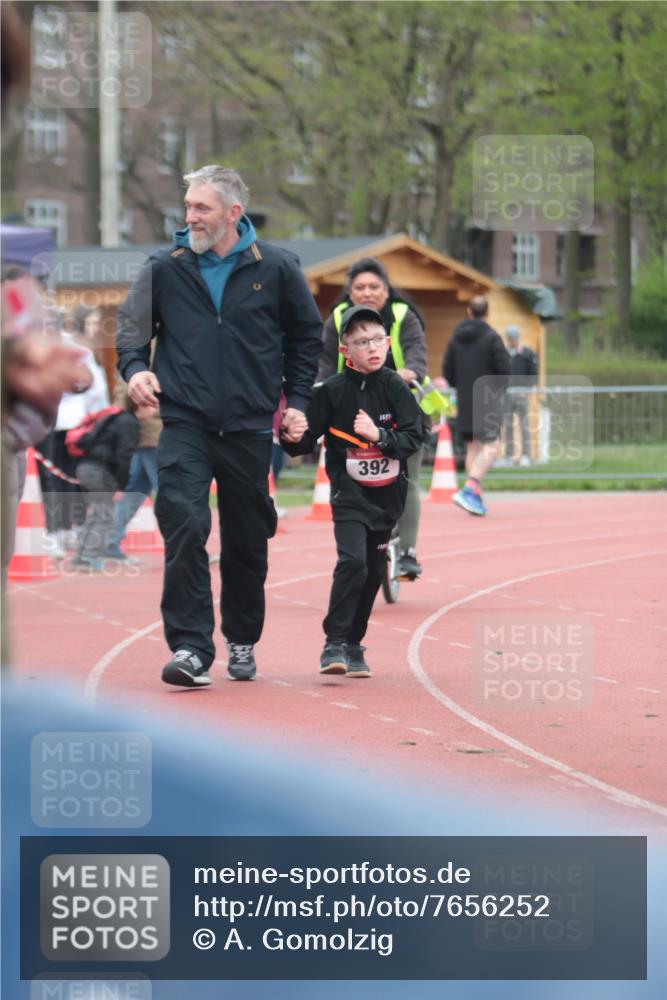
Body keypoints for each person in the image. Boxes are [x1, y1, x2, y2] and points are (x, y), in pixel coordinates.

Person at [116, 164, 322, 688]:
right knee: (184, 524)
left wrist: (297, 401)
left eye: (201, 208)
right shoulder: (165, 267)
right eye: (187, 206)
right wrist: (136, 370)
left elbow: (306, 338)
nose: (190, 217)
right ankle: (190, 647)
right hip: (184, 420)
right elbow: (132, 330)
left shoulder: (277, 267)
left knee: (247, 540)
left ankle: (243, 638)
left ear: (233, 212)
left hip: (250, 427)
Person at [283, 305, 422, 678]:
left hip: (387, 498)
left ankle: (354, 643)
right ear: (345, 350)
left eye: (377, 340)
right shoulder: (331, 391)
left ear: (388, 342)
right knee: (353, 563)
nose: (372, 348)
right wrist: (290, 434)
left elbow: (414, 437)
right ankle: (333, 642)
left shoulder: (396, 387)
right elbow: (304, 442)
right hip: (348, 496)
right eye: (362, 342)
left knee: (374, 571)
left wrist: (381, 436)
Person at [318, 257, 429, 580]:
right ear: (349, 292)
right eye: (360, 287)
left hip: (400, 407)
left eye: (374, 286)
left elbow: (417, 352)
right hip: (350, 414)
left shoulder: (403, 315)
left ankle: (407, 553)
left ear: (386, 290)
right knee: (346, 477)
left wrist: (409, 372)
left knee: (407, 479)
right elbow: (325, 361)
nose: (367, 293)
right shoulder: (337, 318)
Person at [36, 305, 110, 557]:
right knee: (55, 477)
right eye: (92, 322)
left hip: (72, 421)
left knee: (67, 477)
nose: (95, 328)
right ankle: (56, 530)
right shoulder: (55, 348)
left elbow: (94, 388)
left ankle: (65, 528)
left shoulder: (79, 350)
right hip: (54, 421)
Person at [442, 295, 510, 517]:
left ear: (469, 311)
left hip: (464, 397)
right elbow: (504, 371)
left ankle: (473, 497)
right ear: (487, 313)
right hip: (487, 398)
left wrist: (461, 385)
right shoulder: (492, 338)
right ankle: (470, 488)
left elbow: (447, 371)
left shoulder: (455, 339)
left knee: (473, 446)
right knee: (493, 445)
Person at [72, 400, 152, 572]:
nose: (155, 411)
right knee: (105, 516)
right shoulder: (129, 423)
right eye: (153, 406)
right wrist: (121, 486)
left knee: (96, 514)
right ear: (142, 406)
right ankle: (90, 556)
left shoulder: (116, 417)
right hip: (100, 470)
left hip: (85, 466)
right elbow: (125, 455)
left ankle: (81, 555)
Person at [105, 377, 162, 561]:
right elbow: (124, 398)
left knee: (133, 492)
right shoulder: (141, 366)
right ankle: (188, 549)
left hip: (148, 437)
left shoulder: (134, 365)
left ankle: (109, 543)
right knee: (170, 494)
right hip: (154, 437)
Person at [503, 323, 538, 466]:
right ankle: (509, 455)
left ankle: (526, 455)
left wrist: (526, 388)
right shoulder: (503, 354)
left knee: (524, 424)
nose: (512, 342)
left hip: (522, 394)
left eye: (514, 339)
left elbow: (533, 373)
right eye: (510, 339)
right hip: (507, 394)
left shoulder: (526, 353)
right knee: (508, 425)